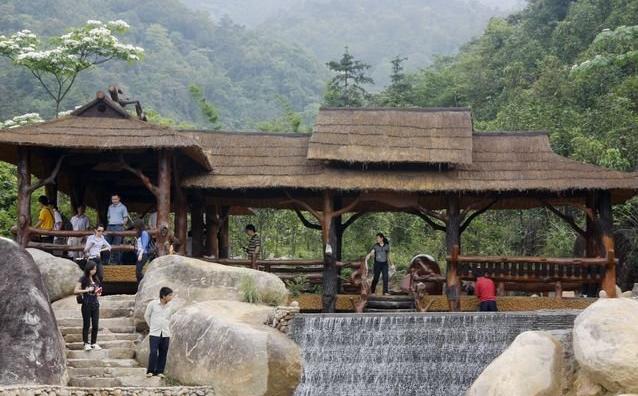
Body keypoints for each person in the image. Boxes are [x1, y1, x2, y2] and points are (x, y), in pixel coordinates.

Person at [144, 287, 175, 378]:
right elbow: (147, 316)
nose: (171, 297)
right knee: (153, 352)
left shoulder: (170, 306)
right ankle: (150, 371)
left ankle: (160, 371)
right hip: (154, 333)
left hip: (165, 333)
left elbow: (170, 317)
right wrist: (152, 326)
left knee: (163, 352)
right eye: (169, 295)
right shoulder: (153, 304)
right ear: (163, 296)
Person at [74, 261, 103, 351]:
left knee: (95, 325)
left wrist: (98, 293)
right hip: (86, 303)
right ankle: (86, 343)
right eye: (92, 269)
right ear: (88, 269)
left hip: (95, 304)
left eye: (95, 269)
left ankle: (93, 343)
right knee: (86, 324)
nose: (94, 271)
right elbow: (75, 290)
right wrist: (86, 290)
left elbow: (97, 291)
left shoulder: (96, 279)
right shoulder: (83, 278)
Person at [105, 193, 130, 264]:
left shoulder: (123, 207)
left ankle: (115, 262)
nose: (114, 200)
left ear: (119, 199)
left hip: (119, 227)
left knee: (116, 245)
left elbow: (125, 218)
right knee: (106, 244)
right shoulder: (110, 207)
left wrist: (122, 225)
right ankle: (106, 261)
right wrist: (110, 222)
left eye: (115, 199)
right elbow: (108, 217)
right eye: (113, 199)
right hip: (110, 226)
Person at [134, 220, 151, 284]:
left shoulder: (144, 233)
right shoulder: (141, 233)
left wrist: (140, 254)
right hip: (140, 254)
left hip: (143, 254)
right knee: (138, 271)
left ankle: (145, 283)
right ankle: (141, 285)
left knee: (138, 272)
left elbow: (144, 245)